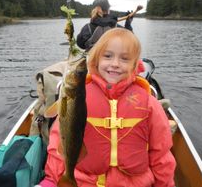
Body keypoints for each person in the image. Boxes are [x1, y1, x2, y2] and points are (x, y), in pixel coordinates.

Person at [37, 28, 176, 187]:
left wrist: (165, 184)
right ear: (96, 59)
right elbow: (58, 143)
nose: (115, 64)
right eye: (108, 56)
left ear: (134, 65)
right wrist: (51, 179)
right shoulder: (77, 99)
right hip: (84, 182)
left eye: (124, 59)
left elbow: (161, 154)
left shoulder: (149, 103)